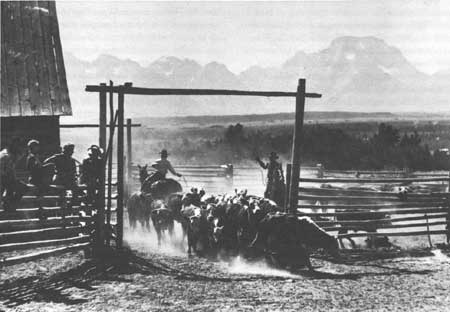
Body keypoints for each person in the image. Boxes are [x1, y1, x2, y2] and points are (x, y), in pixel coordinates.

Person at [0, 138, 28, 211]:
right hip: (3, 178)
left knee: (16, 187)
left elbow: (10, 170)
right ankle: (9, 205)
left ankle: (9, 205)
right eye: (18, 146)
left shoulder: (10, 153)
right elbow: (6, 171)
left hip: (6, 178)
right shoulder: (7, 155)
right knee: (22, 187)